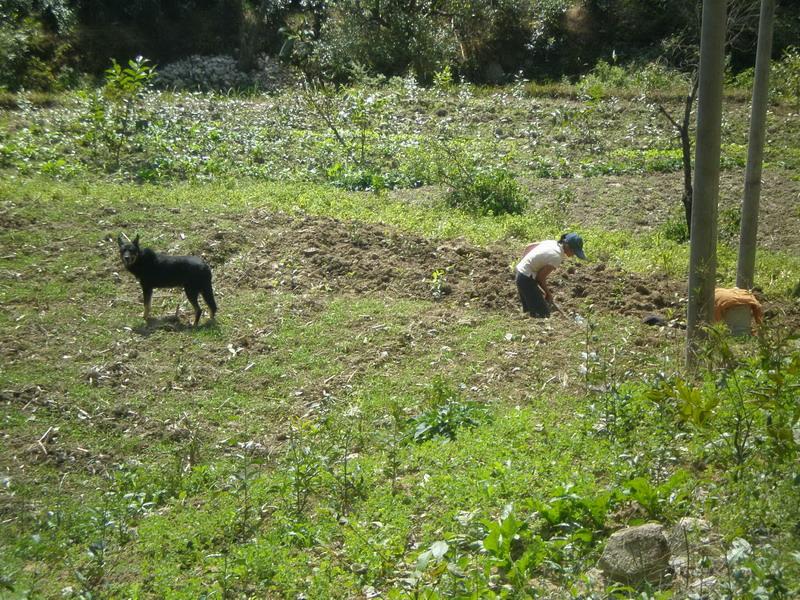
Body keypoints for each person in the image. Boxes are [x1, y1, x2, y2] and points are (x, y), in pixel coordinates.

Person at [515, 232, 586, 317]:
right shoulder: (556, 257)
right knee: (542, 315)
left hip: (520, 273)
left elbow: (529, 246)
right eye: (574, 251)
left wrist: (524, 264)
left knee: (530, 311)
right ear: (567, 246)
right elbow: (540, 277)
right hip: (525, 279)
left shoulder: (551, 242)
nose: (574, 254)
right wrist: (548, 293)